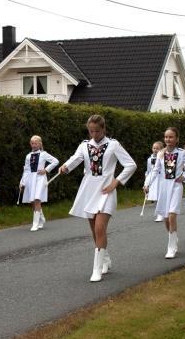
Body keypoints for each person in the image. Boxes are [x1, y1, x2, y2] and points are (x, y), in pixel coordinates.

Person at [59, 114, 137, 282]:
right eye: (91, 131)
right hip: (88, 190)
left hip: (106, 191)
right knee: (95, 229)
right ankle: (105, 260)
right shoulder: (84, 146)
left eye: (97, 131)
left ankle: (96, 269)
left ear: (104, 129)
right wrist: (65, 167)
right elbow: (75, 159)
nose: (94, 135)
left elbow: (131, 165)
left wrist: (116, 182)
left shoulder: (113, 145)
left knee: (100, 228)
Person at [143, 127, 185, 258]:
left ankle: (171, 247)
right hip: (164, 187)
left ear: (177, 139)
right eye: (166, 137)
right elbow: (154, 171)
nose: (168, 139)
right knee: (166, 218)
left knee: (172, 215)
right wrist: (147, 184)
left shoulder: (182, 153)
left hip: (176, 187)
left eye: (171, 137)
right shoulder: (161, 154)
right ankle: (173, 236)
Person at [19, 135, 59, 231]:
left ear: (40, 144)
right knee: (32, 201)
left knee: (37, 199)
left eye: (36, 143)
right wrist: (22, 182)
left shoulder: (44, 154)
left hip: (40, 179)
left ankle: (35, 223)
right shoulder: (28, 156)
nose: (34, 145)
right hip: (30, 179)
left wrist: (46, 170)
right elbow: (26, 170)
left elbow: (55, 161)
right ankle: (41, 219)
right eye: (32, 143)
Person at [145, 141, 165, 222]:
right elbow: (149, 170)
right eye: (154, 148)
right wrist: (146, 180)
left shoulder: (164, 157)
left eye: (157, 148)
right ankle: (159, 214)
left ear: (161, 149)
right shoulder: (149, 159)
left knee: (161, 197)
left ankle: (162, 213)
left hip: (161, 179)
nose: (155, 150)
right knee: (156, 197)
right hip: (153, 180)